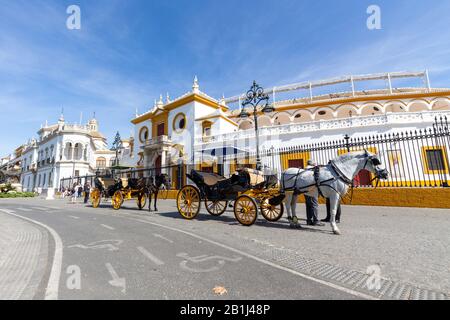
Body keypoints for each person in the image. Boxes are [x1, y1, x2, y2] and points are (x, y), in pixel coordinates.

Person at [304, 159, 325, 226]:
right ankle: (315, 220)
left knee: (308, 206)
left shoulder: (304, 169)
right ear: (312, 164)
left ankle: (309, 220)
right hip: (312, 190)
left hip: (305, 190)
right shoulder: (313, 169)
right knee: (314, 205)